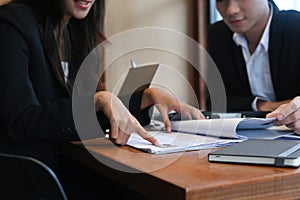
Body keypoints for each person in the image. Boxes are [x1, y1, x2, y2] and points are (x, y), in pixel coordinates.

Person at [0, 0, 204, 198]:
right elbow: (19, 121)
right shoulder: (11, 24)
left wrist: (143, 99)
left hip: (71, 168)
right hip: (32, 176)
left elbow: (79, 118)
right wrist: (95, 101)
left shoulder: (77, 34)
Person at [207, 0, 300, 132]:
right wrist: (263, 105)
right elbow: (216, 102)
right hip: (245, 138)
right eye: (221, 0)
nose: (231, 10)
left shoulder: (296, 28)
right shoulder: (217, 35)